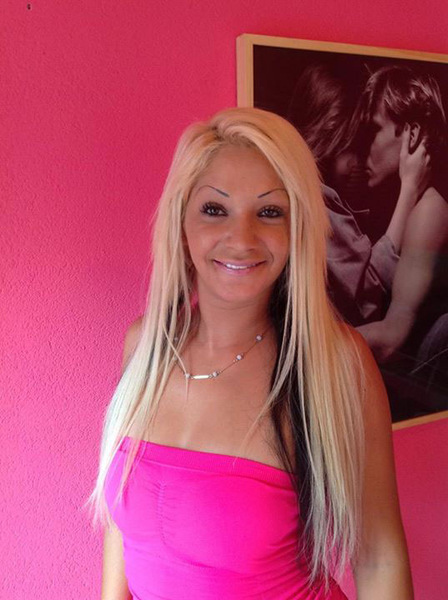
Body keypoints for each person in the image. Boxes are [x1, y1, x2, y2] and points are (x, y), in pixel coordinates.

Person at [88, 107, 413, 599]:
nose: (241, 239)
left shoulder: (335, 364)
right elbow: (122, 532)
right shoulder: (145, 347)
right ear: (181, 222)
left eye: (269, 212)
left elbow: (379, 555)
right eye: (215, 209)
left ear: (297, 228)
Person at [287, 63, 431, 326]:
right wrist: (409, 191)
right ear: (332, 132)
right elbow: (366, 297)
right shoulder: (316, 199)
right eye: (355, 140)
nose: (360, 156)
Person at [351, 66, 448, 383]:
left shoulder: (429, 211)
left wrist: (307, 347)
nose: (361, 144)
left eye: (372, 130)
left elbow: (392, 337)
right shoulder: (391, 203)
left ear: (412, 135)